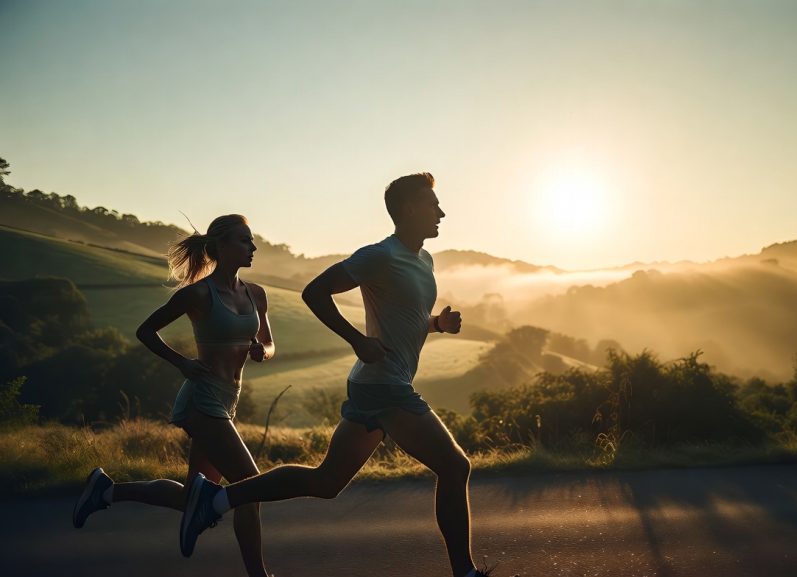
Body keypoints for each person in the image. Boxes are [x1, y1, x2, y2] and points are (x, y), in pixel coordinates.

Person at [179, 173, 492, 577]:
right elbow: (314, 291)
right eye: (434, 204)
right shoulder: (379, 255)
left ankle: (216, 501)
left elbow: (404, 319)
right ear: (411, 209)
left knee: (326, 482)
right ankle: (465, 573)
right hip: (384, 386)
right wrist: (356, 340)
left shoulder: (423, 260)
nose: (442, 212)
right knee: (455, 467)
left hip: (372, 384)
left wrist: (436, 324)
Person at [72, 214, 274, 577]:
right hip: (202, 400)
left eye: (252, 240)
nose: (253, 247)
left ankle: (104, 490)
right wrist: (181, 362)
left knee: (190, 498)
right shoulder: (198, 294)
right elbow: (146, 331)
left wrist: (262, 351)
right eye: (245, 241)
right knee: (250, 486)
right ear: (222, 247)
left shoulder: (255, 293)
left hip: (229, 398)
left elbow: (270, 344)